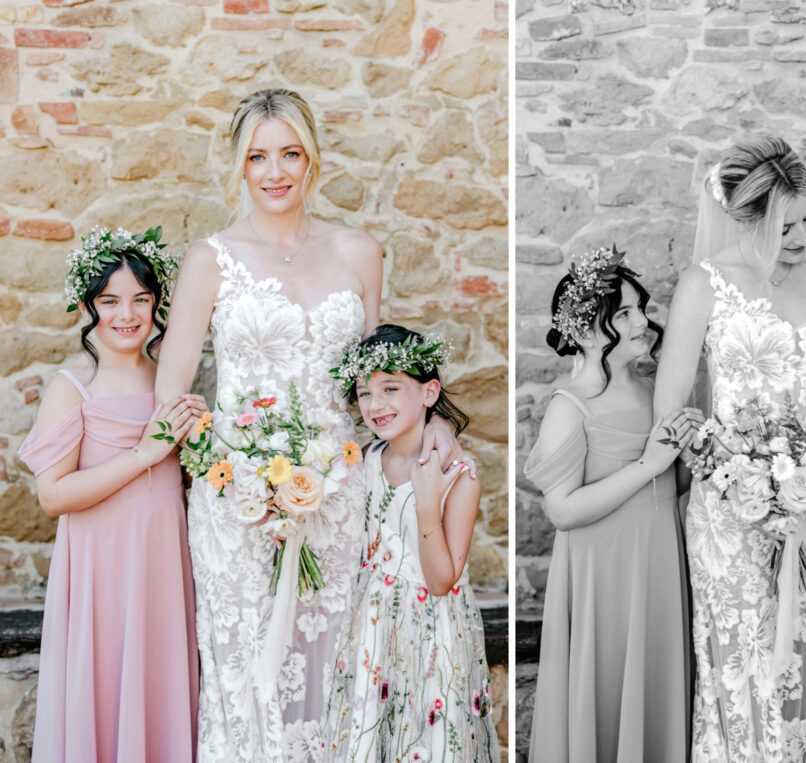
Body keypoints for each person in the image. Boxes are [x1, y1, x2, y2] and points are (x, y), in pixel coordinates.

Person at [154, 89, 462, 760]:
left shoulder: (358, 251)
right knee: (246, 674)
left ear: (311, 158)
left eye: (290, 153)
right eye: (258, 156)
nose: (275, 171)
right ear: (238, 165)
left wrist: (436, 427)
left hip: (337, 491)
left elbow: (382, 377)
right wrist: (235, 478)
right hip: (237, 500)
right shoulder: (210, 260)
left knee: (332, 669)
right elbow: (172, 396)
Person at [653, 136, 806, 761]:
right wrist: (736, 469)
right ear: (745, 219)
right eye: (787, 226)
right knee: (743, 662)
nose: (803, 236)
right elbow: (670, 413)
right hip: (732, 512)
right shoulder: (704, 285)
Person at [20, 226, 203, 762]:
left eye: (141, 300)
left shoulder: (171, 380)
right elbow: (53, 495)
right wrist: (145, 454)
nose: (128, 315)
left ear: (156, 304)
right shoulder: (73, 386)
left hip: (162, 560)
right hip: (103, 566)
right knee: (106, 685)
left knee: (159, 680)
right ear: (87, 307)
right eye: (111, 300)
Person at [525, 246, 702, 762]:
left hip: (659, 561)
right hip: (603, 572)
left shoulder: (656, 391)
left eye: (640, 308)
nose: (642, 322)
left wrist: (690, 454)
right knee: (604, 689)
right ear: (584, 330)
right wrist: (648, 464)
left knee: (654, 682)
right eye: (623, 313)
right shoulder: (570, 405)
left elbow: (672, 485)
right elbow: (562, 510)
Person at [323, 324, 500, 761]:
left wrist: (426, 503)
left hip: (430, 632)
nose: (375, 404)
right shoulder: (364, 460)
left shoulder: (460, 476)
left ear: (429, 391)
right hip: (371, 625)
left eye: (390, 388)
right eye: (364, 393)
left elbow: (441, 580)